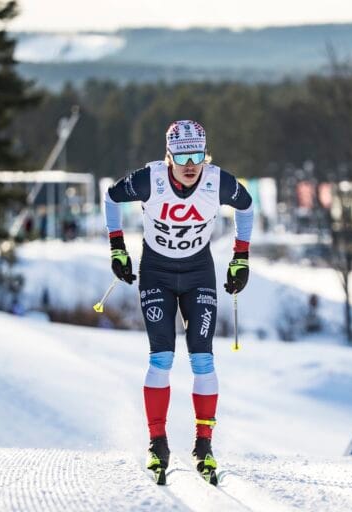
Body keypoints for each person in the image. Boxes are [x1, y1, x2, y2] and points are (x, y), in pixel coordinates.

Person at [104, 120, 253, 485]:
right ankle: (157, 442)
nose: (191, 165)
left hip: (198, 273)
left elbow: (247, 207)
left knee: (202, 357)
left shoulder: (217, 181)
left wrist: (241, 257)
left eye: (198, 155)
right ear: (168, 156)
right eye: (182, 156)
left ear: (206, 154)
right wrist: (117, 248)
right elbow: (111, 197)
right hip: (156, 272)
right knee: (162, 357)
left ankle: (204, 446)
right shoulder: (149, 180)